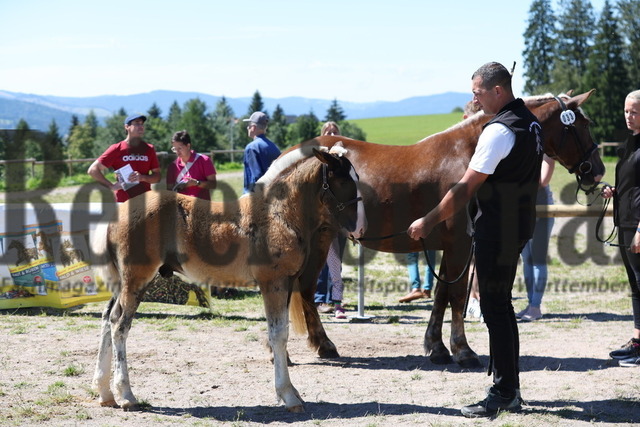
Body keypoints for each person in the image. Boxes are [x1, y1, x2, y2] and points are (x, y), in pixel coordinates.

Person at [408, 62, 542, 417]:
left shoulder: (498, 131)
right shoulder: (530, 123)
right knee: (502, 308)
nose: (474, 99)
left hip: (497, 229)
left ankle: (504, 392)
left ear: (498, 90)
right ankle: (506, 384)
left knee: (495, 309)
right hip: (518, 225)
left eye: (477, 92)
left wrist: (428, 219)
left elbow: (465, 187)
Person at [602, 89, 640, 368]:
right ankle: (638, 341)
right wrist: (615, 191)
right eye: (626, 111)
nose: (629, 116)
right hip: (625, 222)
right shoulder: (630, 143)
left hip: (637, 225)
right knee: (636, 286)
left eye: (634, 111)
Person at [314, 121, 348, 318]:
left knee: (335, 263)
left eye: (335, 131)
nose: (332, 133)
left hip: (338, 221)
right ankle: (319, 299)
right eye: (328, 131)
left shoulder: (344, 160)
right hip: (320, 220)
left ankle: (336, 302)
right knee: (318, 262)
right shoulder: (317, 160)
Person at [88, 113, 161, 202]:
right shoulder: (117, 148)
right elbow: (93, 170)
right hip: (123, 203)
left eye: (142, 124)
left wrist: (142, 177)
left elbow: (157, 176)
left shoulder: (149, 149)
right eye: (137, 123)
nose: (141, 126)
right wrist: (111, 186)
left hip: (145, 201)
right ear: (127, 127)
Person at [517, 154, 555, 321]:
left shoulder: (546, 152)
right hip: (521, 209)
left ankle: (536, 306)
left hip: (541, 209)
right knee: (527, 259)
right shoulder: (521, 146)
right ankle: (531, 303)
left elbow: (542, 181)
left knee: (538, 260)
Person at [166, 130, 217, 200]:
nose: (177, 152)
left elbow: (213, 184)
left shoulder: (204, 160)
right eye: (174, 149)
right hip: (182, 208)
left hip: (202, 207)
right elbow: (169, 191)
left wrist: (196, 183)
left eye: (180, 148)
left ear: (188, 146)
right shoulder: (172, 167)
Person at [242, 111, 280, 194]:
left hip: (255, 197)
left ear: (253, 127)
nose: (247, 128)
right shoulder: (274, 147)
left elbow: (256, 177)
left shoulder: (251, 147)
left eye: (249, 125)